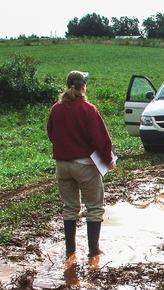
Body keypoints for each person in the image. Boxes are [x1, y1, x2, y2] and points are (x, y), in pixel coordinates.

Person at [47, 70, 115, 259]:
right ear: (83, 86)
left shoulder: (56, 108)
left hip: (62, 165)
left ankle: (70, 251)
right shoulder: (88, 109)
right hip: (84, 165)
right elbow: (100, 139)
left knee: (70, 207)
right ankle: (93, 251)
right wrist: (108, 160)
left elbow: (51, 134)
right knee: (94, 208)